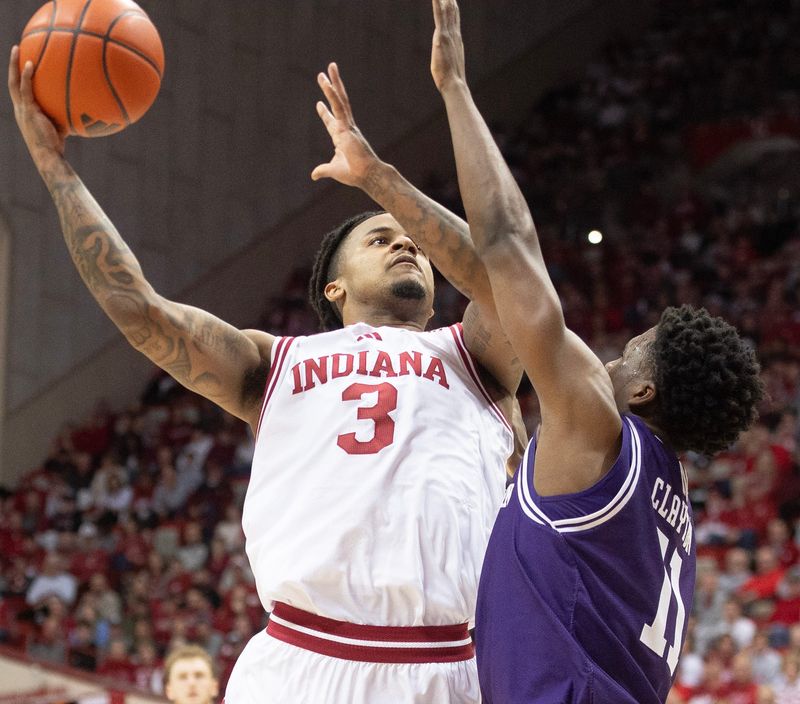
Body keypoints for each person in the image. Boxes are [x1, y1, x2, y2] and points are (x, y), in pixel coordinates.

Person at [9, 23, 522, 701]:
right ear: (333, 288)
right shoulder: (273, 363)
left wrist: (380, 182)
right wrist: (55, 169)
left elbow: (512, 268)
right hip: (301, 660)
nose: (407, 245)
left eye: (416, 243)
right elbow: (140, 309)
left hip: (450, 665)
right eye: (379, 238)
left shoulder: (476, 355)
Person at [425, 0, 764, 702]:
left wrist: (455, 88)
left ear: (643, 392)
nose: (606, 361)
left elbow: (508, 247)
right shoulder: (668, 504)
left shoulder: (601, 430)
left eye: (627, 354)